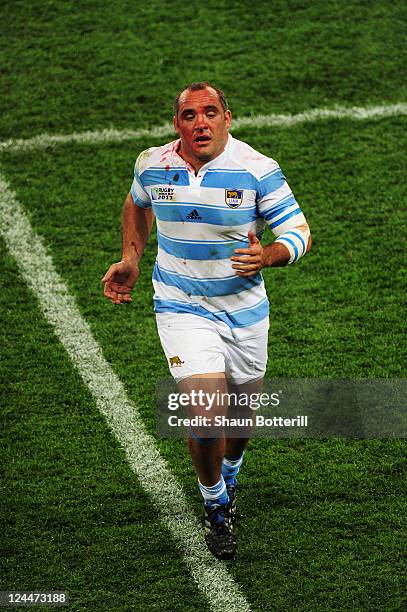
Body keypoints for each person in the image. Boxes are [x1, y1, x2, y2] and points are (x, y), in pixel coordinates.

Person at [102, 82, 312, 560]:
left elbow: (299, 231)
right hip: (180, 305)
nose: (201, 123)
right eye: (190, 115)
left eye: (210, 113)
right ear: (177, 124)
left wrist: (271, 254)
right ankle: (216, 503)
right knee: (205, 410)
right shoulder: (153, 164)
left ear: (227, 118)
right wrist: (132, 258)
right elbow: (138, 204)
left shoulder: (258, 170)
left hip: (244, 312)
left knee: (241, 413)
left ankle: (230, 473)